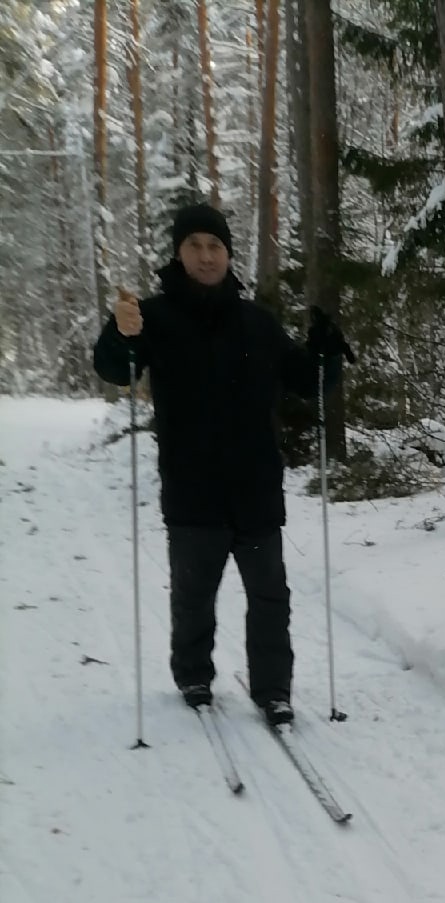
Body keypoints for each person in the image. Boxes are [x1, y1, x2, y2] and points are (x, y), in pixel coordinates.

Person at [93, 202, 352, 724]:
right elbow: (114, 369)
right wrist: (119, 332)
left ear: (228, 254)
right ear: (179, 253)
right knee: (194, 596)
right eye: (195, 246)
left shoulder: (257, 322)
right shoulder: (154, 317)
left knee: (270, 598)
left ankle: (273, 689)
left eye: (215, 246)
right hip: (192, 489)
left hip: (255, 485)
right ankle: (193, 676)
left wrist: (324, 356)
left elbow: (306, 382)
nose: (206, 255)